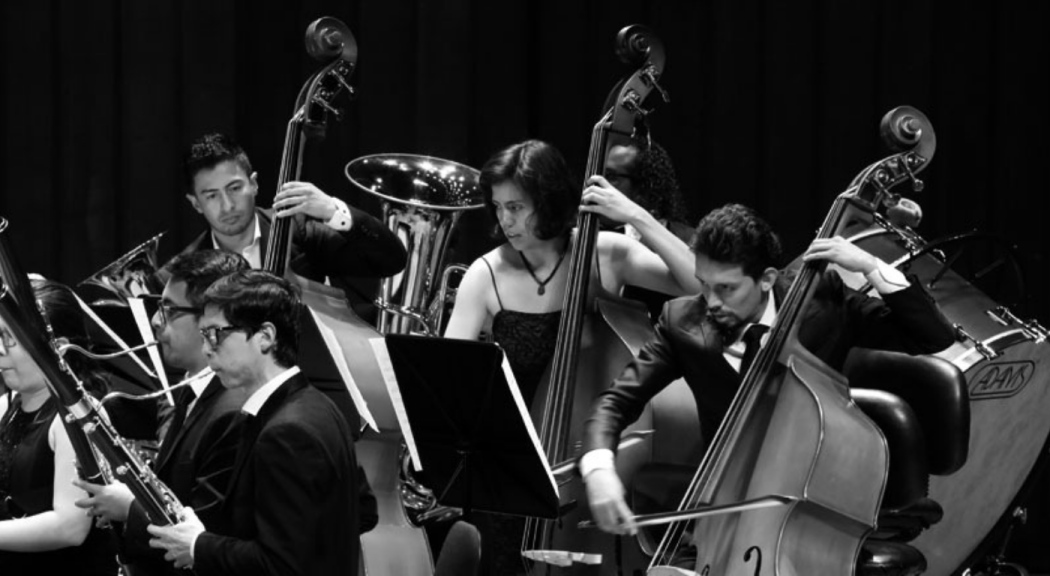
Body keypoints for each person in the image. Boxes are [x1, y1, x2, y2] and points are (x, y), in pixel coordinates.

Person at [580, 203, 957, 538]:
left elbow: (932, 337)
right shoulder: (683, 322)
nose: (711, 302)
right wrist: (598, 469)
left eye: (727, 289)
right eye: (703, 285)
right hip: (728, 500)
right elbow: (616, 401)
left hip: (820, 499)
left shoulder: (822, 302)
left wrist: (871, 267)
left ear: (767, 279)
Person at [177, 132, 406, 432]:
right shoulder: (186, 273)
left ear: (255, 184)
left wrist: (332, 210)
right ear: (195, 203)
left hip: (315, 407)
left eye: (235, 188)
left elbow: (390, 259)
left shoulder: (299, 231)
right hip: (227, 423)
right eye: (211, 195)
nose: (227, 205)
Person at [444, 139, 701, 403]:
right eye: (497, 206)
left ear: (547, 202)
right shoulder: (485, 274)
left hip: (597, 435)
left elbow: (700, 283)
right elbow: (448, 375)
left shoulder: (606, 253)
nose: (504, 220)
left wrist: (636, 216)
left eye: (515, 207)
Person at [147, 270, 359, 575]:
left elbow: (280, 565)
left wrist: (197, 545)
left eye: (215, 334)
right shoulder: (316, 404)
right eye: (204, 334)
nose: (206, 348)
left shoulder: (288, 432)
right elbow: (361, 510)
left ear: (265, 337)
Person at [73, 249, 250, 576]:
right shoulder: (190, 393)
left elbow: (210, 530)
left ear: (211, 317)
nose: (154, 320)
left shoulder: (233, 408)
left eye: (167, 310)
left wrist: (128, 507)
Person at [0, 278, 117, 574]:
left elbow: (70, 527)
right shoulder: (6, 404)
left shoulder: (77, 416)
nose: (0, 350)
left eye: (10, 340)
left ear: (58, 349)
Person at [603, 137, 693, 243]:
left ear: (643, 187)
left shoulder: (691, 243)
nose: (597, 182)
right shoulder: (592, 239)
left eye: (610, 176)